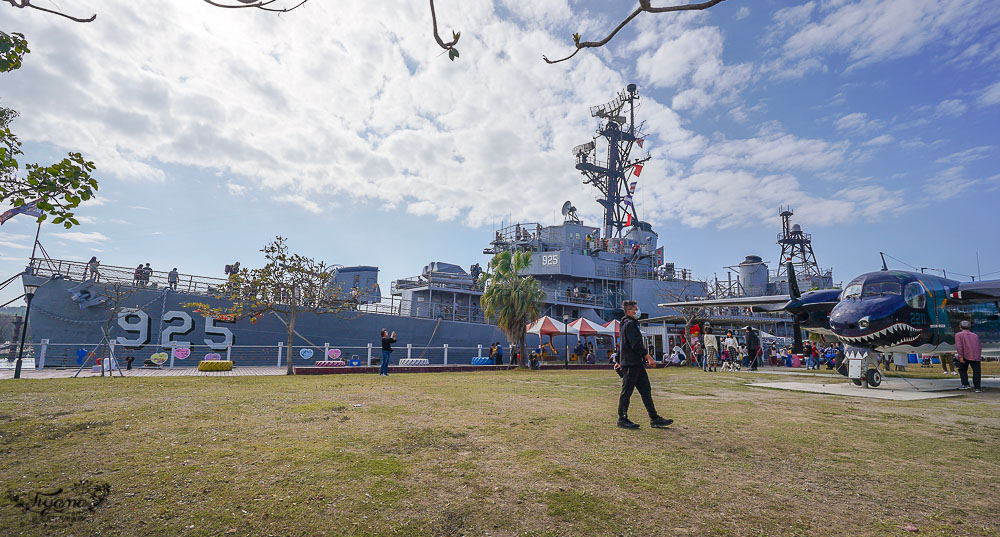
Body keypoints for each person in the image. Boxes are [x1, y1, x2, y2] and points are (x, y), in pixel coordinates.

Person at [615, 300, 673, 430]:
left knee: (645, 390)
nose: (638, 311)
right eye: (635, 309)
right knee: (627, 392)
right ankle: (622, 418)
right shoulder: (630, 325)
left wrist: (618, 360)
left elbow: (622, 344)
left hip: (635, 364)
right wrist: (648, 357)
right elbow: (636, 344)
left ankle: (654, 418)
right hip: (631, 364)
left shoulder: (624, 324)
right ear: (629, 311)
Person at [954, 320, 982, 392]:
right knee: (976, 372)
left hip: (965, 355)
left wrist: (960, 356)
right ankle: (977, 388)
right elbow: (979, 346)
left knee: (962, 370)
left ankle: (965, 384)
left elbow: (959, 346)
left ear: (960, 327)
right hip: (975, 355)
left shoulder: (958, 335)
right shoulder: (975, 335)